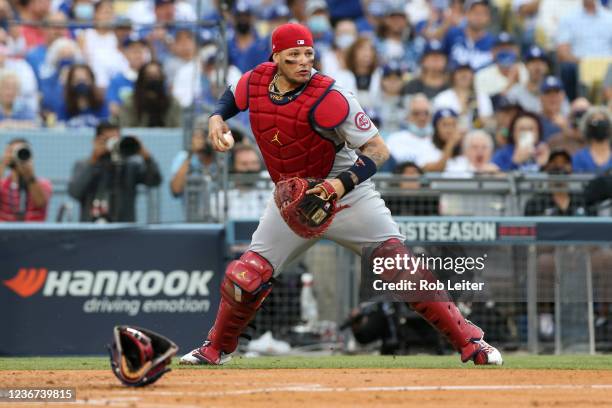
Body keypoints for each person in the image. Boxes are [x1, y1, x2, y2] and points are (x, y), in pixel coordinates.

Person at [179, 23, 502, 366]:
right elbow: (232, 94)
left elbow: (378, 151)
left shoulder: (330, 96)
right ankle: (216, 349)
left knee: (401, 268)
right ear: (275, 57)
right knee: (245, 276)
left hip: (344, 191)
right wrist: (216, 117)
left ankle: (472, 342)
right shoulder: (258, 79)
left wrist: (337, 186)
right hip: (291, 197)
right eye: (294, 56)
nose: (304, 62)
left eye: (308, 54)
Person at [68, 121, 162, 222]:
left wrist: (145, 155)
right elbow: (75, 192)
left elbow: (154, 181)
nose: (113, 145)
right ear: (96, 141)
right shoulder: (84, 164)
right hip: (91, 229)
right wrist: (93, 161)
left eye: (116, 140)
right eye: (107, 140)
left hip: (125, 230)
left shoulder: (130, 165)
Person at [556, 0, 612, 100]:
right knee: (568, 68)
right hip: (579, 64)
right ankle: (574, 104)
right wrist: (584, 62)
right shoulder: (568, 18)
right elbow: (562, 52)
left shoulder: (610, 18)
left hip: (608, 65)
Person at [0, 138, 52, 221]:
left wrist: (29, 175)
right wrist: (2, 165)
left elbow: (40, 203)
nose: (16, 155)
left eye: (21, 151)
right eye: (11, 151)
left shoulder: (43, 184)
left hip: (34, 231)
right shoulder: (2, 184)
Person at [118, 61, 182, 127]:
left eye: (156, 75)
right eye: (149, 75)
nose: (153, 78)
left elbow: (178, 129)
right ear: (142, 78)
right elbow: (127, 130)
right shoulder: (130, 103)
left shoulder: (173, 103)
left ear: (162, 78)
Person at [433, 62, 493, 131]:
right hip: (450, 135)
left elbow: (488, 123)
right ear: (453, 75)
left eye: (467, 72)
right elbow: (438, 124)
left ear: (472, 75)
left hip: (476, 136)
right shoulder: (442, 98)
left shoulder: (482, 97)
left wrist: (478, 118)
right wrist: (463, 112)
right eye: (460, 72)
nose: (464, 75)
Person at [443, 0, 495, 71]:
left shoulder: (493, 42)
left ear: (488, 18)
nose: (478, 17)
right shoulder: (453, 34)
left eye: (483, 13)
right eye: (475, 12)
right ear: (466, 14)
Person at [572, 107, 612, 173]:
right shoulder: (579, 158)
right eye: (595, 122)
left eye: (603, 122)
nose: (600, 126)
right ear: (588, 128)